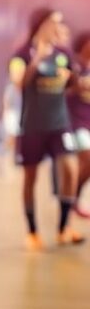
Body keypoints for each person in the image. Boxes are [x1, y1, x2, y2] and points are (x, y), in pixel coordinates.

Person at [10, 8, 82, 249]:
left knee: (71, 169)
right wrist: (38, 59)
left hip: (60, 124)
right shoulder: (22, 54)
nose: (58, 28)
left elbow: (75, 82)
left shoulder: (63, 53)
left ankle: (63, 228)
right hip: (32, 127)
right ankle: (32, 232)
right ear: (41, 24)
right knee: (30, 177)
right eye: (54, 23)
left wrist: (71, 78)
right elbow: (19, 83)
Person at [69, 32, 90, 217]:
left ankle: (72, 198)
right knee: (87, 158)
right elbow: (65, 89)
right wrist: (79, 85)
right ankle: (71, 199)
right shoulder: (74, 64)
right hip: (75, 121)